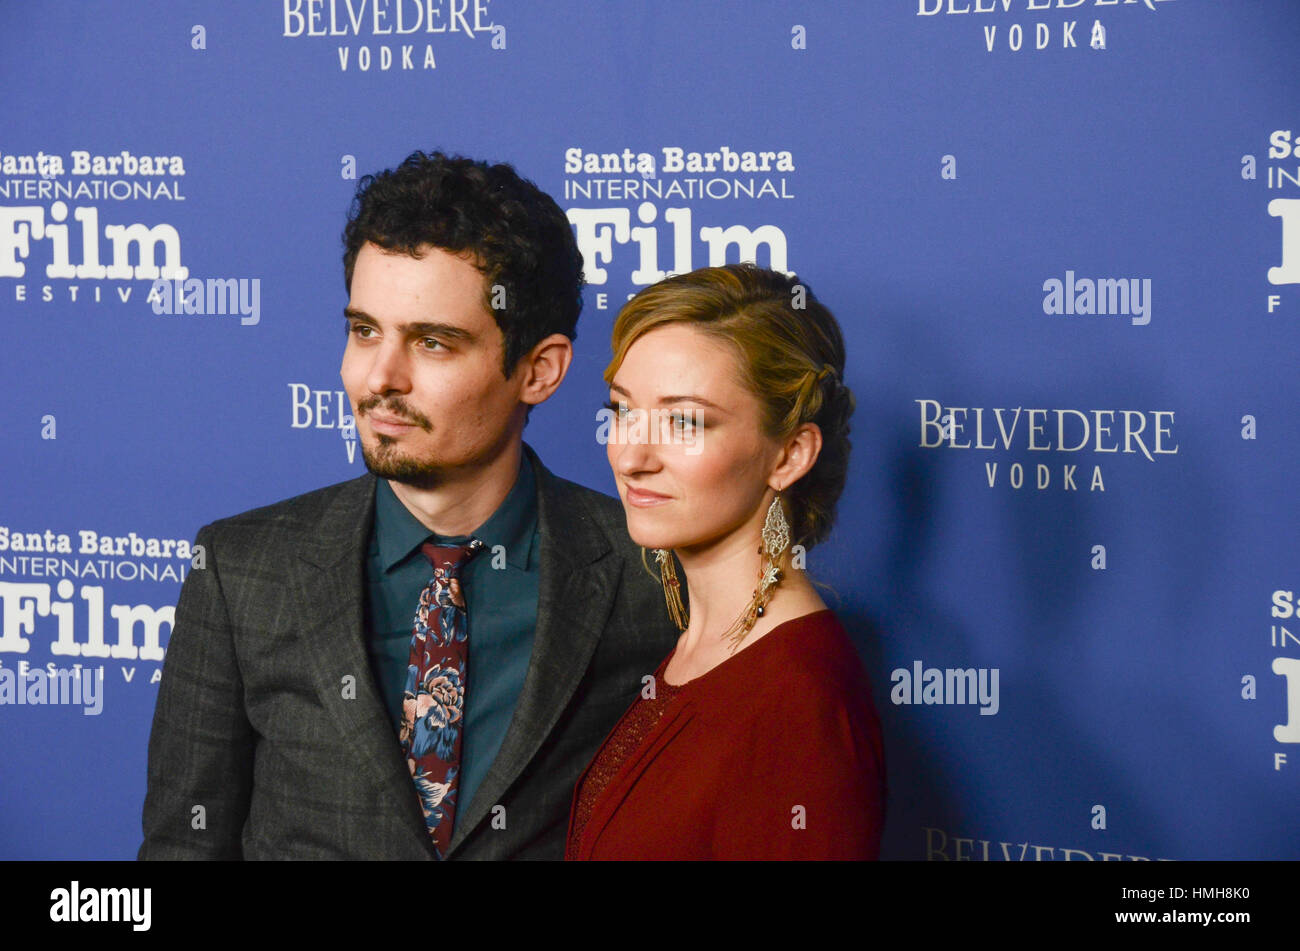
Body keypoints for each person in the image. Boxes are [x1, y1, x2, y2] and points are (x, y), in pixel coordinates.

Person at [139, 151, 678, 860]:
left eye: (432, 342)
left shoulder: (652, 575)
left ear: (539, 370)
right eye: (364, 331)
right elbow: (183, 848)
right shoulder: (242, 570)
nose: (379, 378)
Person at [566, 263, 886, 860]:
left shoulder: (799, 702)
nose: (631, 456)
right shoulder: (699, 643)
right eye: (622, 410)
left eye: (684, 421)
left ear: (789, 454)